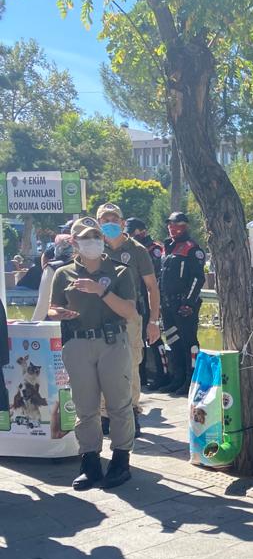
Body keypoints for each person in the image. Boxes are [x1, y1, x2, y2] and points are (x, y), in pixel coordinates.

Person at [47, 217, 137, 489]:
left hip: (112, 342)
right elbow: (52, 307)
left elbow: (129, 311)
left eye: (97, 237)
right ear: (75, 243)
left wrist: (101, 291)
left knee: (118, 404)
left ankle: (120, 461)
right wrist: (59, 313)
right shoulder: (64, 273)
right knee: (85, 407)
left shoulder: (119, 272)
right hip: (78, 343)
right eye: (86, 238)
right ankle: (90, 462)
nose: (93, 242)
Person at [97, 205, 161, 435]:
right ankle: (104, 415)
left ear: (123, 223)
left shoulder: (137, 250)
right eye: (105, 219)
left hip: (130, 315)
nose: (110, 222)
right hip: (100, 315)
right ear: (98, 223)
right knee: (101, 364)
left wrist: (154, 321)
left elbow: (152, 287)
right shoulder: (94, 248)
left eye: (114, 218)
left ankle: (131, 411)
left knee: (131, 364)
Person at [157, 211, 206, 396]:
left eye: (176, 224)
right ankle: (177, 378)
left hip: (184, 305)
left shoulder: (192, 248)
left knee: (189, 343)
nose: (172, 228)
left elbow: (198, 278)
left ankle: (191, 380)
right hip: (167, 304)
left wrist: (189, 303)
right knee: (173, 341)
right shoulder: (167, 247)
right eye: (170, 224)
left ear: (185, 226)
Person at [126, 217, 167, 390]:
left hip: (150, 298)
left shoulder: (153, 249)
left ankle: (163, 375)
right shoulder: (129, 249)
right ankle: (141, 377)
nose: (130, 235)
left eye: (132, 232)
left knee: (154, 339)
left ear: (141, 231)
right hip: (135, 299)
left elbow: (154, 277)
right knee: (138, 340)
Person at [30, 230, 75, 321]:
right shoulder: (84, 264)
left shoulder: (51, 268)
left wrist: (35, 322)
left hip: (58, 318)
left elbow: (43, 301)